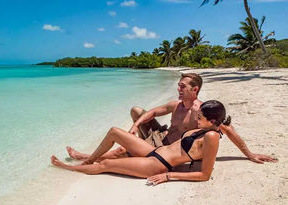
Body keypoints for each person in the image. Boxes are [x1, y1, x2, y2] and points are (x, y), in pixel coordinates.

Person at [66, 73, 276, 164]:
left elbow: (229, 131)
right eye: (178, 85)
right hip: (162, 137)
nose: (178, 89)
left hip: (169, 150)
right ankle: (126, 144)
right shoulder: (176, 105)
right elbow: (154, 112)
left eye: (182, 87)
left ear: (195, 90)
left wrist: (249, 154)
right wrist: (135, 125)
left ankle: (86, 157)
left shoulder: (202, 111)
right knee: (137, 110)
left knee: (122, 151)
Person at [52, 100, 233, 184]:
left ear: (213, 121)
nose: (197, 119)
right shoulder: (207, 128)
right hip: (155, 151)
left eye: (200, 117)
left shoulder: (212, 137)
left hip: (158, 164)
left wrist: (169, 176)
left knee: (106, 164)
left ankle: (70, 168)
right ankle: (89, 159)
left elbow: (205, 175)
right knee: (115, 132)